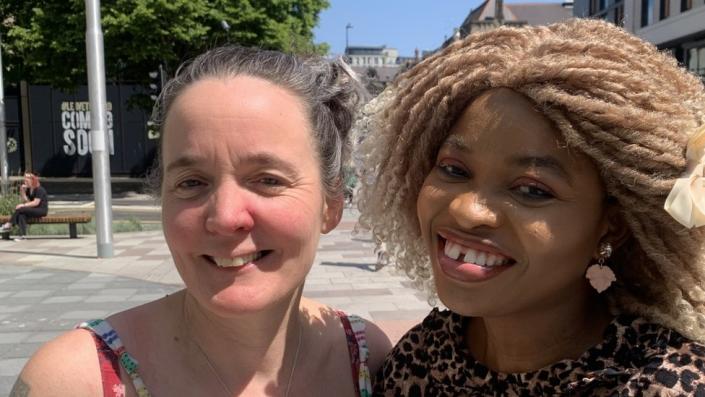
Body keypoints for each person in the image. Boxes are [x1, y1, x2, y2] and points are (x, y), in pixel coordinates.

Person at [11, 46, 391, 397]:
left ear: (332, 203)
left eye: (268, 180)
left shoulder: (369, 361)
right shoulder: (73, 382)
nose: (225, 217)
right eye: (191, 183)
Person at [356, 19, 705, 395]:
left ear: (612, 226)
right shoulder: (416, 359)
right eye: (454, 169)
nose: (467, 211)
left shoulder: (663, 384)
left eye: (532, 191)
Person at [1, 172, 49, 241]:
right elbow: (27, 202)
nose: (25, 182)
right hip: (33, 209)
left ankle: (9, 224)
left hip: (41, 210)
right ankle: (22, 236)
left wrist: (23, 205)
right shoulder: (29, 190)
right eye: (25, 180)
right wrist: (22, 191)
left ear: (32, 181)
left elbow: (36, 203)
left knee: (21, 209)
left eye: (27, 181)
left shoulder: (39, 189)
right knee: (21, 214)